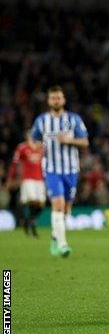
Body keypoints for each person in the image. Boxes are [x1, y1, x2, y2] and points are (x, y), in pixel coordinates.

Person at [31, 85, 89, 257]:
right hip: (51, 170)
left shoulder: (74, 119)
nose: (56, 100)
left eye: (58, 97)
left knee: (66, 209)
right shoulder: (41, 120)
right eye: (53, 98)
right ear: (48, 101)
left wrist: (69, 140)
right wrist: (37, 148)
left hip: (71, 170)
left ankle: (55, 236)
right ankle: (63, 244)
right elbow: (33, 141)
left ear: (63, 100)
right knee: (58, 204)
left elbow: (85, 142)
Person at [6, 131, 46, 237]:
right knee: (31, 201)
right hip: (28, 179)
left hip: (40, 180)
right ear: (26, 136)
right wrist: (10, 178)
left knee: (41, 204)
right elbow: (15, 163)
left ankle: (28, 221)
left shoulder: (42, 147)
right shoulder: (22, 147)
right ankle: (31, 225)